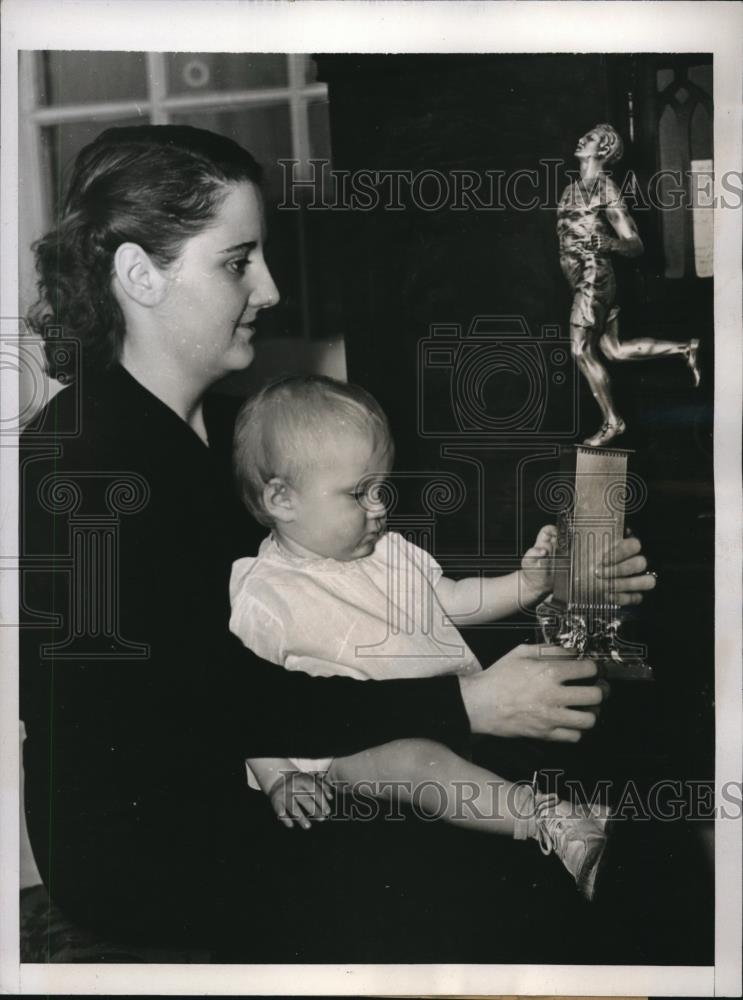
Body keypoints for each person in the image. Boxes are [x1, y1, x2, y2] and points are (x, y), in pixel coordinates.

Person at [20, 123, 655, 958]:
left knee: (570, 850)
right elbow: (215, 701)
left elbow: (352, 609)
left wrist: (563, 584)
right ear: (139, 274)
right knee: (509, 898)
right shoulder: (90, 456)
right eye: (238, 261)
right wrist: (468, 703)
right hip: (159, 855)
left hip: (252, 788)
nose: (273, 288)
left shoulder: (199, 435)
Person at [230, 374, 614, 900]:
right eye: (359, 493)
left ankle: (573, 797)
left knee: (554, 676)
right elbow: (245, 708)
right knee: (416, 763)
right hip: (349, 747)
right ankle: (551, 821)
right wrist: (279, 778)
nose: (379, 507)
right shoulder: (264, 595)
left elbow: (453, 598)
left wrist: (530, 582)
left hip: (443, 705)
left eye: (381, 487)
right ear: (282, 499)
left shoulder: (389, 550)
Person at [557, 122, 701, 448]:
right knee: (614, 350)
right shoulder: (572, 189)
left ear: (603, 150)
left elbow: (635, 245)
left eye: (590, 137)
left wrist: (606, 243)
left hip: (595, 278)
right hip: (581, 280)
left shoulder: (605, 189)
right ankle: (684, 348)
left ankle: (613, 422)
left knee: (580, 349)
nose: (581, 138)